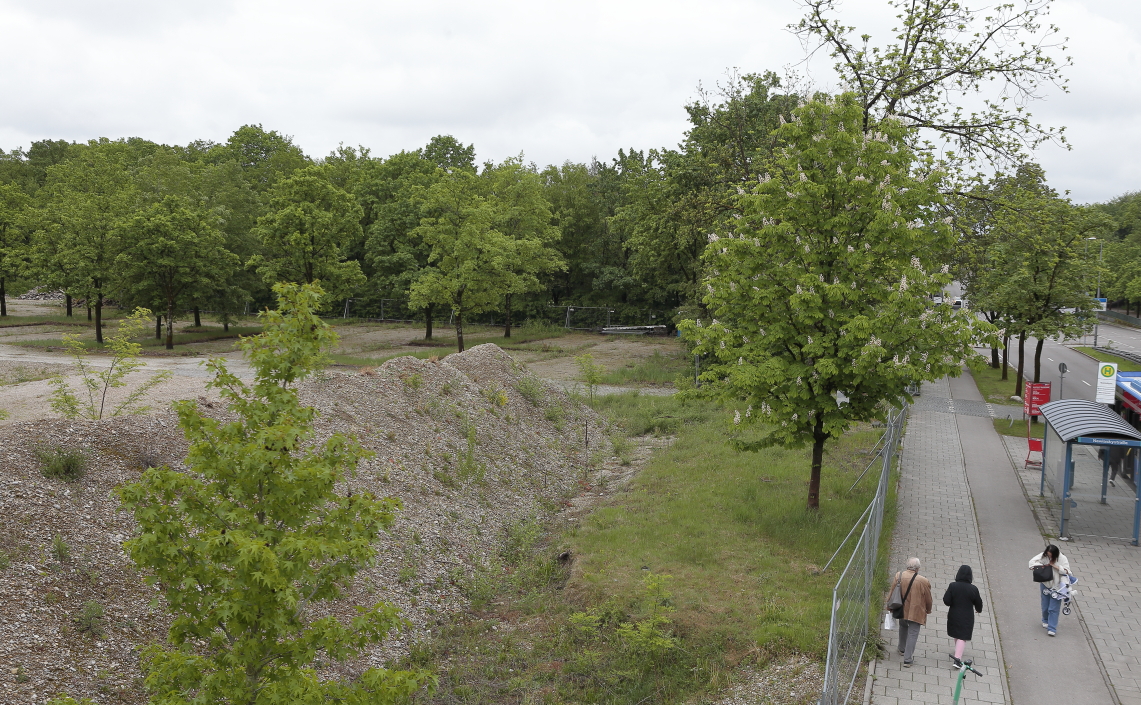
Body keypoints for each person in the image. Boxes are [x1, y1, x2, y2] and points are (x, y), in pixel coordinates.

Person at [886, 557, 933, 667]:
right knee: (913, 633)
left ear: (907, 566)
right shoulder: (923, 581)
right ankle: (907, 659)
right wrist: (929, 609)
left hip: (901, 609)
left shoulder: (899, 575)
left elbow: (892, 591)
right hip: (916, 611)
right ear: (917, 568)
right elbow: (928, 599)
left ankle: (901, 648)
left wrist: (889, 606)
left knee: (903, 627)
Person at [943, 565, 983, 666]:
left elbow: (946, 600)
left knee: (957, 633)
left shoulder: (953, 585)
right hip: (967, 616)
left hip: (954, 614)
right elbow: (978, 602)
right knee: (962, 636)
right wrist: (978, 609)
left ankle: (957, 651)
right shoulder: (973, 589)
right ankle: (957, 659)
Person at [1028, 544, 1071, 636]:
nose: (1049, 557)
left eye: (1051, 556)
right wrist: (1042, 566)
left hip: (1058, 586)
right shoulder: (1043, 556)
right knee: (1045, 605)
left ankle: (1052, 628)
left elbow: (1068, 571)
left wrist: (1055, 566)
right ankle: (1045, 619)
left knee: (1053, 608)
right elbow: (1032, 562)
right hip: (1045, 583)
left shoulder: (1063, 558)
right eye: (1048, 555)